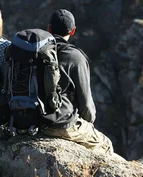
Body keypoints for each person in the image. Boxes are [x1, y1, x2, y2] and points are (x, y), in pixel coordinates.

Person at [40, 9, 115, 154]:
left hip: (32, 120)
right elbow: (86, 105)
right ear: (73, 31)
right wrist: (88, 122)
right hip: (60, 123)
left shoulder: (36, 50)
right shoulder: (76, 57)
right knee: (105, 144)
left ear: (49, 28)